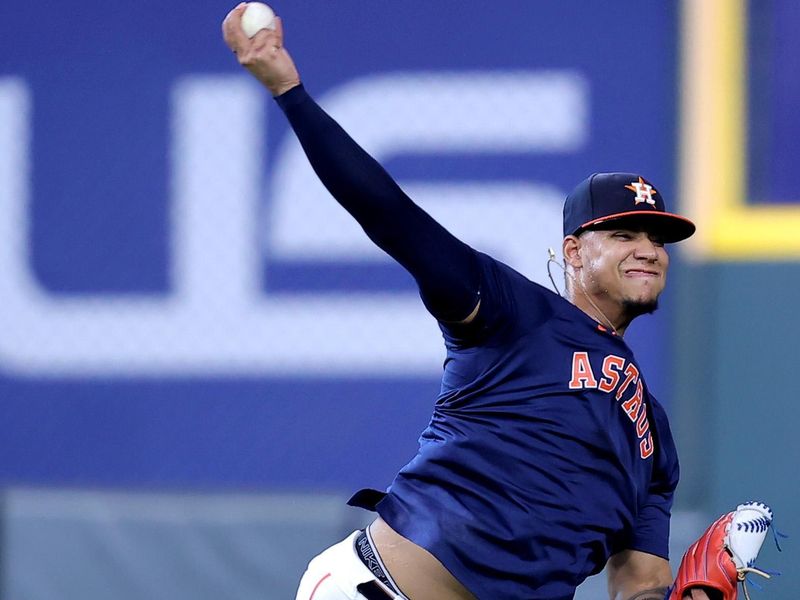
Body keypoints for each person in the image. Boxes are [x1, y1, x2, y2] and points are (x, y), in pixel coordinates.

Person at [221, 6, 767, 600]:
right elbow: (390, 215)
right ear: (574, 252)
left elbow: (638, 585)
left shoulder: (654, 438)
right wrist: (290, 93)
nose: (649, 250)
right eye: (624, 234)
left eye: (657, 239)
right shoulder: (514, 314)